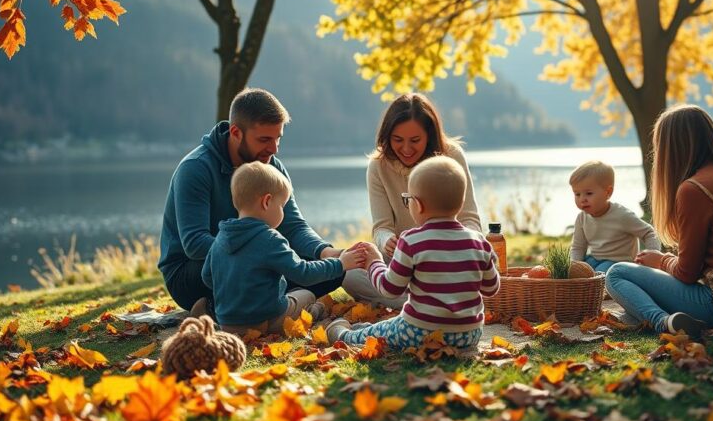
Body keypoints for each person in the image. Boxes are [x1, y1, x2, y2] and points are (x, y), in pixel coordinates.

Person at [158, 88, 362, 315]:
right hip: (193, 273)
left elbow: (293, 226)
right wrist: (255, 253)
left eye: (277, 139)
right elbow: (195, 243)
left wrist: (325, 252)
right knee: (267, 268)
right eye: (264, 139)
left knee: (332, 271)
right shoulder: (196, 169)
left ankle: (230, 309)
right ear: (236, 132)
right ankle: (236, 306)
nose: (273, 149)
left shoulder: (271, 166)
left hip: (255, 264)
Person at [604, 105, 713, 340]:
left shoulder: (695, 189)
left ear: (670, 149)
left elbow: (687, 273)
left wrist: (661, 261)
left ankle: (663, 322)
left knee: (616, 274)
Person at [326, 156, 499, 351]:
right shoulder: (479, 243)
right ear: (459, 204)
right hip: (469, 334)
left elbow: (389, 289)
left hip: (419, 331)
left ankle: (344, 335)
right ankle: (368, 329)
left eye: (408, 200)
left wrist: (374, 262)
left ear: (418, 205)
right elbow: (491, 288)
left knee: (389, 329)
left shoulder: (411, 240)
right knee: (388, 327)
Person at [202, 162, 367, 335]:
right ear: (266, 202)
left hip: (228, 323)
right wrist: (340, 264)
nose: (282, 212)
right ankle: (315, 311)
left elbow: (207, 277)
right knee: (306, 295)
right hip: (265, 321)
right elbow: (303, 273)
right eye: (282, 206)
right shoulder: (270, 238)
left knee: (290, 295)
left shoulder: (221, 238)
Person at [350, 93, 482, 308]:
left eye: (415, 140)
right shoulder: (378, 166)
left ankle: (416, 302)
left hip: (448, 259)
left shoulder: (451, 157)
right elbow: (381, 227)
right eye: (398, 140)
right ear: (387, 136)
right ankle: (437, 302)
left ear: (429, 136)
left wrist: (461, 247)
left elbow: (470, 219)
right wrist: (387, 241)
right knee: (351, 272)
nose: (406, 149)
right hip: (403, 261)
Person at [568, 160, 660, 273]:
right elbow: (578, 247)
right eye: (577, 194)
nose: (582, 199)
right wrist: (574, 266)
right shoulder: (582, 218)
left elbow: (649, 233)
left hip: (619, 263)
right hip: (595, 259)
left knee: (598, 274)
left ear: (608, 192)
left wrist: (653, 253)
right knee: (578, 271)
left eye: (589, 193)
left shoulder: (622, 215)